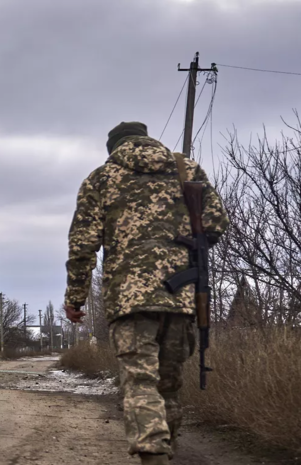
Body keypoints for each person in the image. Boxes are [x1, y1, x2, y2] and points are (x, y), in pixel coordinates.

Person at [63, 122, 229, 464]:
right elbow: (216, 223)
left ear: (114, 148)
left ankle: (153, 454)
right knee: (169, 384)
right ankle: (169, 451)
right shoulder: (186, 169)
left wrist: (75, 297)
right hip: (182, 295)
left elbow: (82, 246)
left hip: (130, 301)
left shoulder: (101, 178)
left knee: (140, 381)